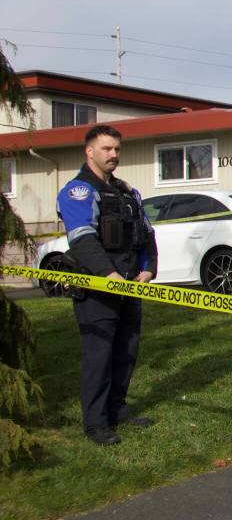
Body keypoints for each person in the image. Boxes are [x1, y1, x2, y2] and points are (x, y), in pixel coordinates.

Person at [56, 124, 158, 446]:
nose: (114, 154)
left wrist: (149, 269)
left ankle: (118, 410)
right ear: (90, 152)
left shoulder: (127, 192)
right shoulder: (78, 191)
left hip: (129, 286)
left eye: (116, 149)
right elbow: (83, 240)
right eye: (106, 149)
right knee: (98, 358)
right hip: (99, 291)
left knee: (126, 352)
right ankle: (96, 424)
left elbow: (145, 233)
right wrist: (107, 275)